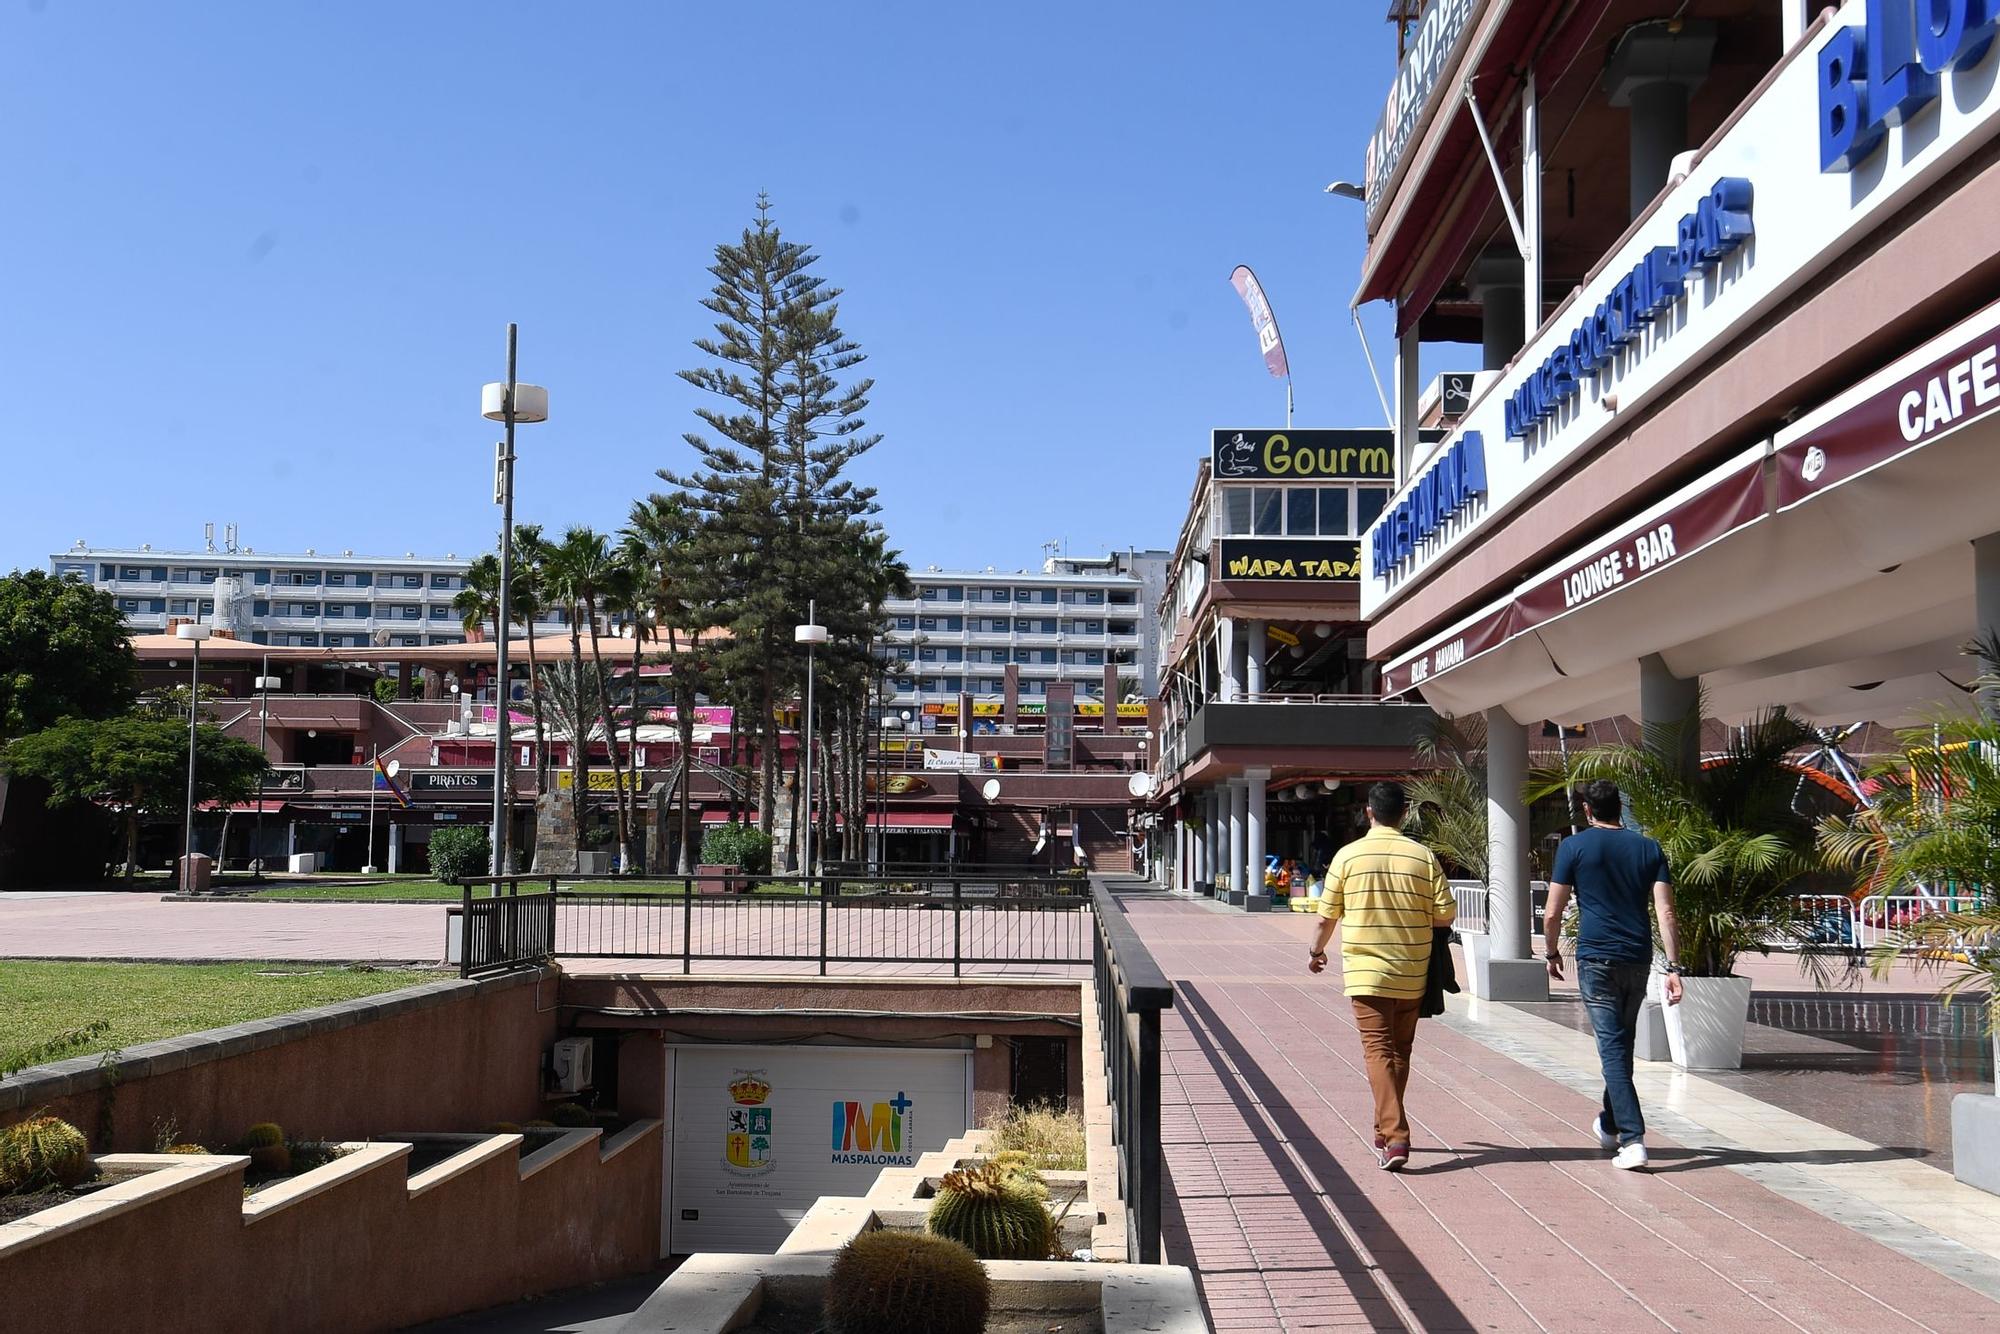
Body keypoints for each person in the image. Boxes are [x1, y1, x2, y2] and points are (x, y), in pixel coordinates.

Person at [1307, 782, 1457, 1172]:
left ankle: (1396, 1137)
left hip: (1366, 971)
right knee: (1399, 1051)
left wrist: (1316, 951)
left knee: (1377, 1050)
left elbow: (1327, 916)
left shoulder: (1347, 856)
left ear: (1368, 813)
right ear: (1404, 814)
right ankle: (1382, 1124)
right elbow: (1445, 914)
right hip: (1412, 969)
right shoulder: (1423, 857)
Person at [1543, 779, 1684, 1171]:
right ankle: (1607, 1124)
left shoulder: (1573, 847)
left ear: (1588, 810)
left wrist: (1551, 951)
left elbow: (1553, 911)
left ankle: (1634, 1138)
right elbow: (1666, 912)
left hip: (1597, 958)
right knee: (1621, 1044)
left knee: (1611, 1048)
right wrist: (1673, 967)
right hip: (1637, 958)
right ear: (1619, 807)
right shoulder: (1648, 848)